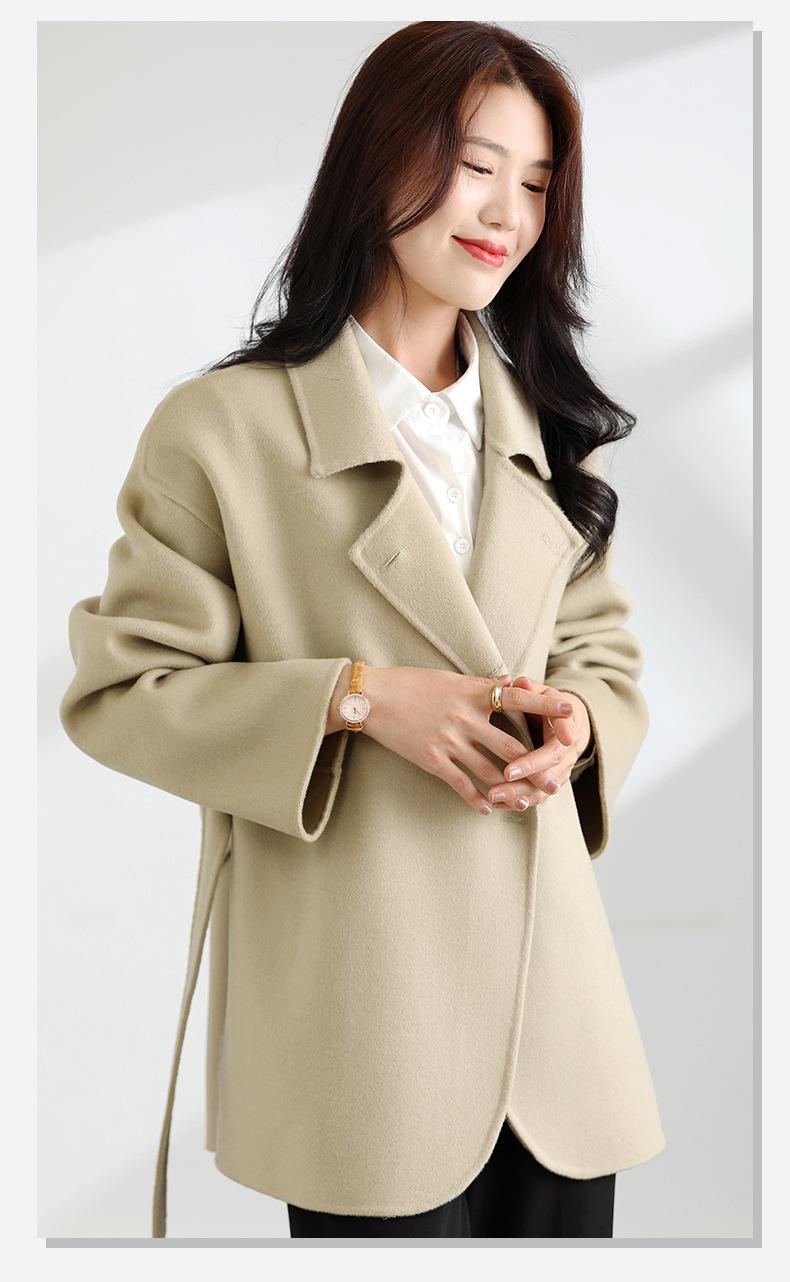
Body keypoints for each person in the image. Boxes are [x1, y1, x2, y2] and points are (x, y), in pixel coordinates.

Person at [60, 20, 665, 1240]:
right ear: (380, 159)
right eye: (475, 165)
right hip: (362, 1021)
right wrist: (358, 698)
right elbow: (121, 691)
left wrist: (578, 724)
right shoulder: (222, 430)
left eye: (536, 183)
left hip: (555, 1022)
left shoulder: (552, 426)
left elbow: (601, 650)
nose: (505, 213)